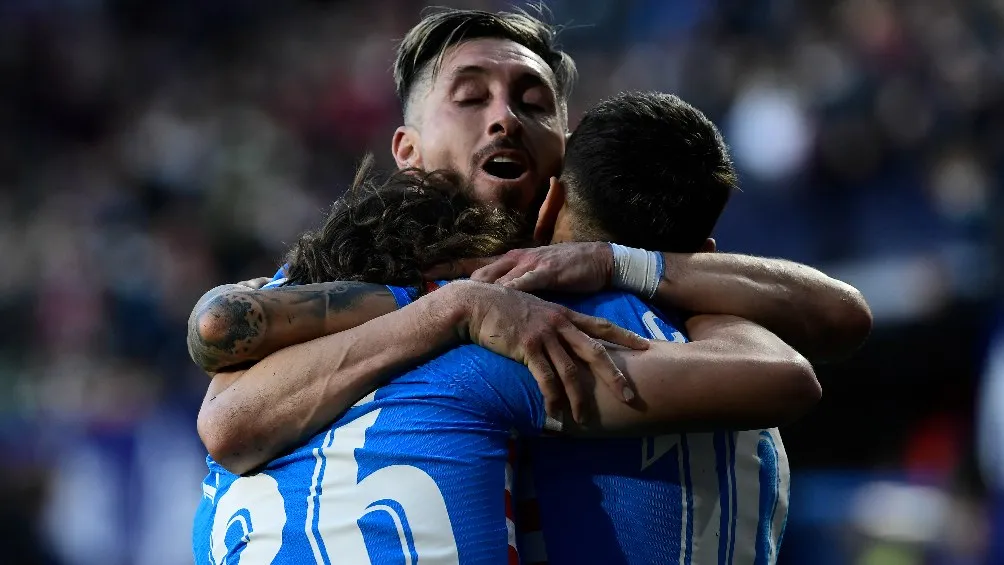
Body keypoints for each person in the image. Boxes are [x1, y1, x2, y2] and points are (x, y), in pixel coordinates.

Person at [189, 7, 871, 564]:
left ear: (565, 158)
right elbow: (226, 397)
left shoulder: (580, 312)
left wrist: (611, 261)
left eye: (533, 102)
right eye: (470, 97)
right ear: (407, 152)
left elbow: (838, 319)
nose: (505, 117)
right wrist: (459, 306)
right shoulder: (352, 271)